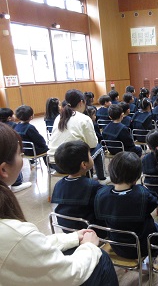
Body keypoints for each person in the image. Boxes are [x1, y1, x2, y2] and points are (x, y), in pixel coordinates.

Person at [0, 122, 118, 285]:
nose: (22, 158)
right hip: (91, 234)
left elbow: (33, 248)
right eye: (20, 154)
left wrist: (71, 237)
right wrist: (89, 247)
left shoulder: (59, 186)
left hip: (67, 228)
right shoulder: (14, 233)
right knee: (102, 258)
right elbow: (68, 274)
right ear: (3, 170)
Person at [94, 151, 158, 262]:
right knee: (157, 228)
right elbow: (155, 202)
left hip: (116, 245)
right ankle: (150, 261)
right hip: (142, 247)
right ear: (137, 176)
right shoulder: (142, 194)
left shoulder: (101, 194)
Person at [48, 89, 110, 185]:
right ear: (81, 102)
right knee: (99, 147)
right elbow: (92, 143)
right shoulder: (84, 118)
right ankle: (102, 178)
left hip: (53, 162)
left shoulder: (59, 117)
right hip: (72, 165)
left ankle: (89, 177)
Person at [51, 140, 105, 231]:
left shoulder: (58, 185)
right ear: (84, 164)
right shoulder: (93, 186)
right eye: (89, 155)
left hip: (67, 230)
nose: (91, 156)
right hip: (90, 231)